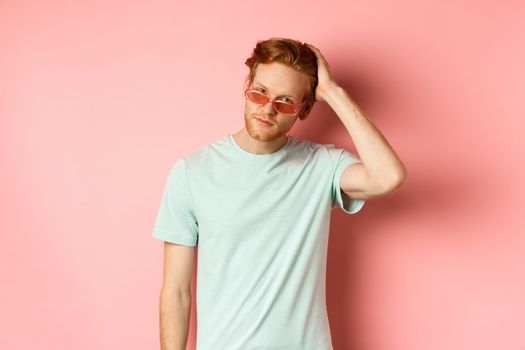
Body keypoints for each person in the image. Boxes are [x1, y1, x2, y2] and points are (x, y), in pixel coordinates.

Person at [152, 37, 407, 350]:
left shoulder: (322, 165)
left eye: (285, 101)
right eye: (259, 92)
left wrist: (333, 93)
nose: (268, 109)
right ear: (247, 85)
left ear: (304, 110)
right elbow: (176, 290)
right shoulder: (191, 173)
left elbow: (388, 177)